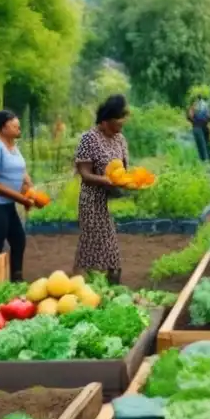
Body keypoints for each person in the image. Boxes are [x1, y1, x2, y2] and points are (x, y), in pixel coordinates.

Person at [74, 95, 131, 284]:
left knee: (91, 244)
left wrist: (131, 181)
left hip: (110, 196)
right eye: (117, 125)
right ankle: (98, 284)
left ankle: (83, 282)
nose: (119, 129)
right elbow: (85, 174)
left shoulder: (120, 139)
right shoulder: (89, 138)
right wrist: (106, 181)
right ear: (105, 122)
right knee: (99, 244)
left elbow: (124, 170)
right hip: (92, 199)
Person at [0, 111, 38, 282]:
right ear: (3, 128)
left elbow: (23, 173)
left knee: (18, 240)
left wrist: (30, 191)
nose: (18, 126)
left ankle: (16, 281)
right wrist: (21, 199)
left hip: (7, 204)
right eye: (13, 123)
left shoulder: (14, 147)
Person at [187, 95, 210, 162]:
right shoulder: (205, 105)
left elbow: (190, 117)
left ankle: (205, 163)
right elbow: (209, 117)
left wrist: (194, 121)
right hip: (205, 127)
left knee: (201, 147)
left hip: (197, 127)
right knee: (207, 146)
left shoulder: (194, 105)